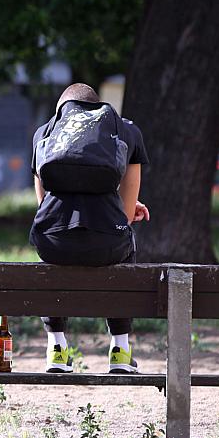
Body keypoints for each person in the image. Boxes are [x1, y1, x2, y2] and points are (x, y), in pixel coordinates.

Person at [30, 83, 150, 373]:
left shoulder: (45, 132)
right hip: (106, 242)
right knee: (126, 245)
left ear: (63, 112)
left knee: (50, 257)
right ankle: (120, 350)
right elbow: (126, 207)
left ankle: (56, 347)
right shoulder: (125, 130)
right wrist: (120, 210)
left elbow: (42, 201)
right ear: (97, 108)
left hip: (54, 241)